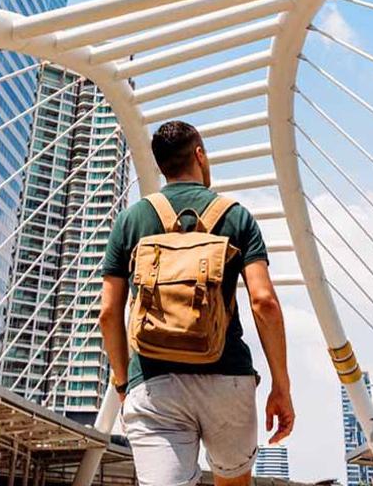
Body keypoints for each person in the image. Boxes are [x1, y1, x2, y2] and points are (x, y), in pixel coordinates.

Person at [100, 121, 294, 486]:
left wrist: (125, 385)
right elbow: (264, 302)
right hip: (227, 378)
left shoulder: (130, 220)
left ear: (161, 166)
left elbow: (109, 313)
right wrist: (280, 386)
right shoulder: (237, 216)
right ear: (200, 155)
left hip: (155, 384)